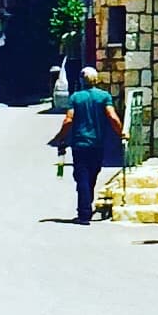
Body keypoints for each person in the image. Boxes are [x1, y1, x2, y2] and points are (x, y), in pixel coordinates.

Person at [52, 79, 122, 224]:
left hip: (80, 144)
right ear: (96, 81)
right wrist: (121, 133)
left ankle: (84, 214)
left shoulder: (76, 97)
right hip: (98, 144)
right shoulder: (104, 96)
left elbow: (68, 120)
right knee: (92, 175)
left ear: (82, 81)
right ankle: (86, 207)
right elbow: (112, 116)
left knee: (82, 177)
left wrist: (60, 137)